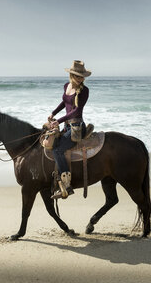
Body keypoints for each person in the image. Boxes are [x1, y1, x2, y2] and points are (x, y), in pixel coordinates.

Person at [48, 60, 91, 199]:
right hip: (66, 125)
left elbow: (76, 111)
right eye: (78, 76)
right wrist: (53, 113)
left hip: (77, 127)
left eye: (82, 76)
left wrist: (57, 121)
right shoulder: (66, 86)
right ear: (72, 75)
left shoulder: (84, 91)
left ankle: (67, 186)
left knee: (57, 149)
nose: (81, 79)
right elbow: (65, 102)